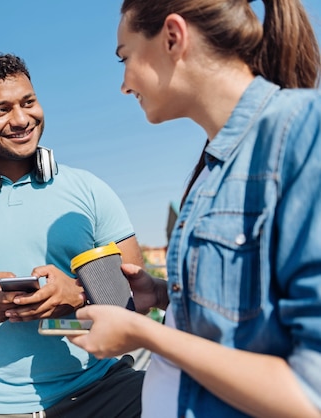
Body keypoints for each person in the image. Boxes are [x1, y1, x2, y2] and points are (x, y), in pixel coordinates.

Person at [69, 1, 321, 417]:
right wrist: (168, 296)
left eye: (124, 57)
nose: (124, 84)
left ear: (173, 37)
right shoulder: (211, 167)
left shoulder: (301, 133)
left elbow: (310, 393)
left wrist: (146, 334)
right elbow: (249, 315)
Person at [0, 51, 146, 417]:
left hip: (101, 391)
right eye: (1, 110)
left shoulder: (91, 190)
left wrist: (77, 296)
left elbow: (137, 300)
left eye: (28, 102)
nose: (21, 119)